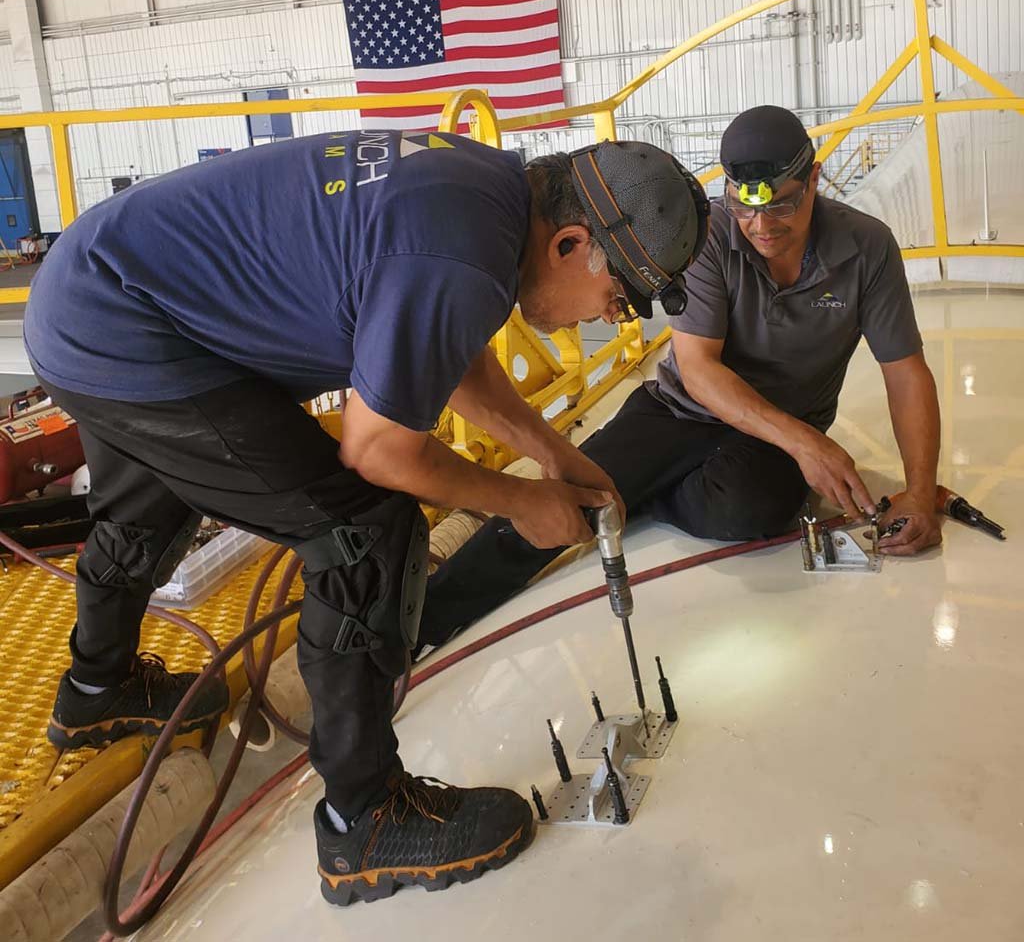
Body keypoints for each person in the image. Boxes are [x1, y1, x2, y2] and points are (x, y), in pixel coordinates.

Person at [23, 129, 708, 906]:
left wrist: (554, 455)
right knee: (367, 531)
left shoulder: (490, 192)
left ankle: (94, 690)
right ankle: (365, 820)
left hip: (90, 296)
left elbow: (444, 349)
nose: (613, 319)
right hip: (135, 328)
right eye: (616, 297)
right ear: (571, 242)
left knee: (153, 493)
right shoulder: (461, 253)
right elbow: (377, 453)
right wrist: (524, 500)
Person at [420, 105, 942, 653]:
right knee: (574, 496)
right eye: (744, 206)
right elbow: (698, 369)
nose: (762, 226)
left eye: (783, 205)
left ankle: (641, 493)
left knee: (750, 509)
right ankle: (420, 625)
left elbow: (905, 373)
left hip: (780, 426)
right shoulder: (709, 233)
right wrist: (807, 446)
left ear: (814, 178)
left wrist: (922, 492)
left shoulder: (868, 248)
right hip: (681, 409)